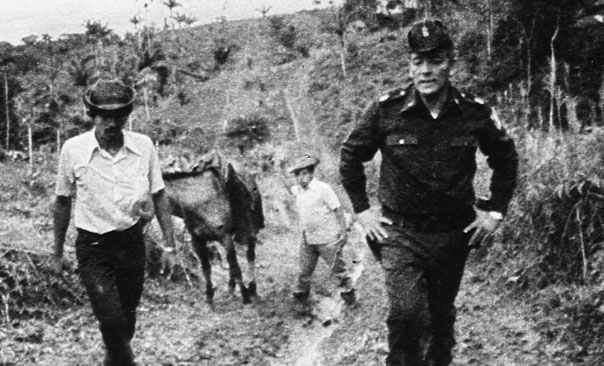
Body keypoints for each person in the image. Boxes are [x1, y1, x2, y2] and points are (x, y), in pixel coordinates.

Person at [339, 19, 518, 366]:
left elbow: (506, 159)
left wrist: (495, 212)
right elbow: (350, 156)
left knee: (439, 314)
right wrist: (362, 211)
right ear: (409, 65)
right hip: (399, 233)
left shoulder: (474, 111)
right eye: (418, 62)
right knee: (407, 313)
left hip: (454, 234)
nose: (426, 70)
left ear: (450, 62)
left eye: (435, 61)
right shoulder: (385, 110)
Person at [52, 78, 176, 366]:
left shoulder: (143, 146)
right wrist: (57, 253)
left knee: (128, 315)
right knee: (110, 316)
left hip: (131, 243)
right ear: (92, 115)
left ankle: (114, 356)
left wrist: (170, 247)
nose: (111, 122)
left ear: (128, 115)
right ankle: (123, 359)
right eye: (104, 116)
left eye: (119, 115)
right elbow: (62, 201)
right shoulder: (73, 150)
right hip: (94, 247)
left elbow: (159, 195)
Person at [288, 154, 356, 307]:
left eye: (305, 173)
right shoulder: (297, 191)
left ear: (312, 173)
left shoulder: (323, 189)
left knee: (338, 269)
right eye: (298, 174)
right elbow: (287, 187)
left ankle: (349, 293)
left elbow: (338, 210)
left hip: (327, 239)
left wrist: (343, 233)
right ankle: (301, 298)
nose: (301, 178)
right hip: (308, 239)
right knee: (304, 270)